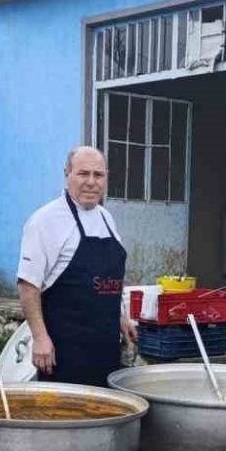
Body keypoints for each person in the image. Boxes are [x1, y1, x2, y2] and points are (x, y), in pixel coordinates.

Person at [17, 146, 137, 387]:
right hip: (64, 351)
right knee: (65, 409)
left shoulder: (106, 218)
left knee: (105, 407)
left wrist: (121, 317)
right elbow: (28, 286)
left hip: (105, 348)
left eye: (98, 175)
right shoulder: (45, 221)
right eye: (83, 174)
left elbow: (110, 280)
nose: (91, 182)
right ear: (67, 174)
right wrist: (40, 338)